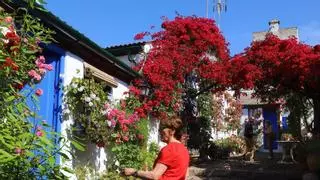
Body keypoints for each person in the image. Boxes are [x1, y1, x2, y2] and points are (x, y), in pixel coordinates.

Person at [124, 116, 190, 180]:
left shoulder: (169, 149)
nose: (160, 131)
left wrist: (133, 172)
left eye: (163, 128)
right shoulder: (185, 150)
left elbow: (154, 175)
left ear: (172, 131)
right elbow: (186, 175)